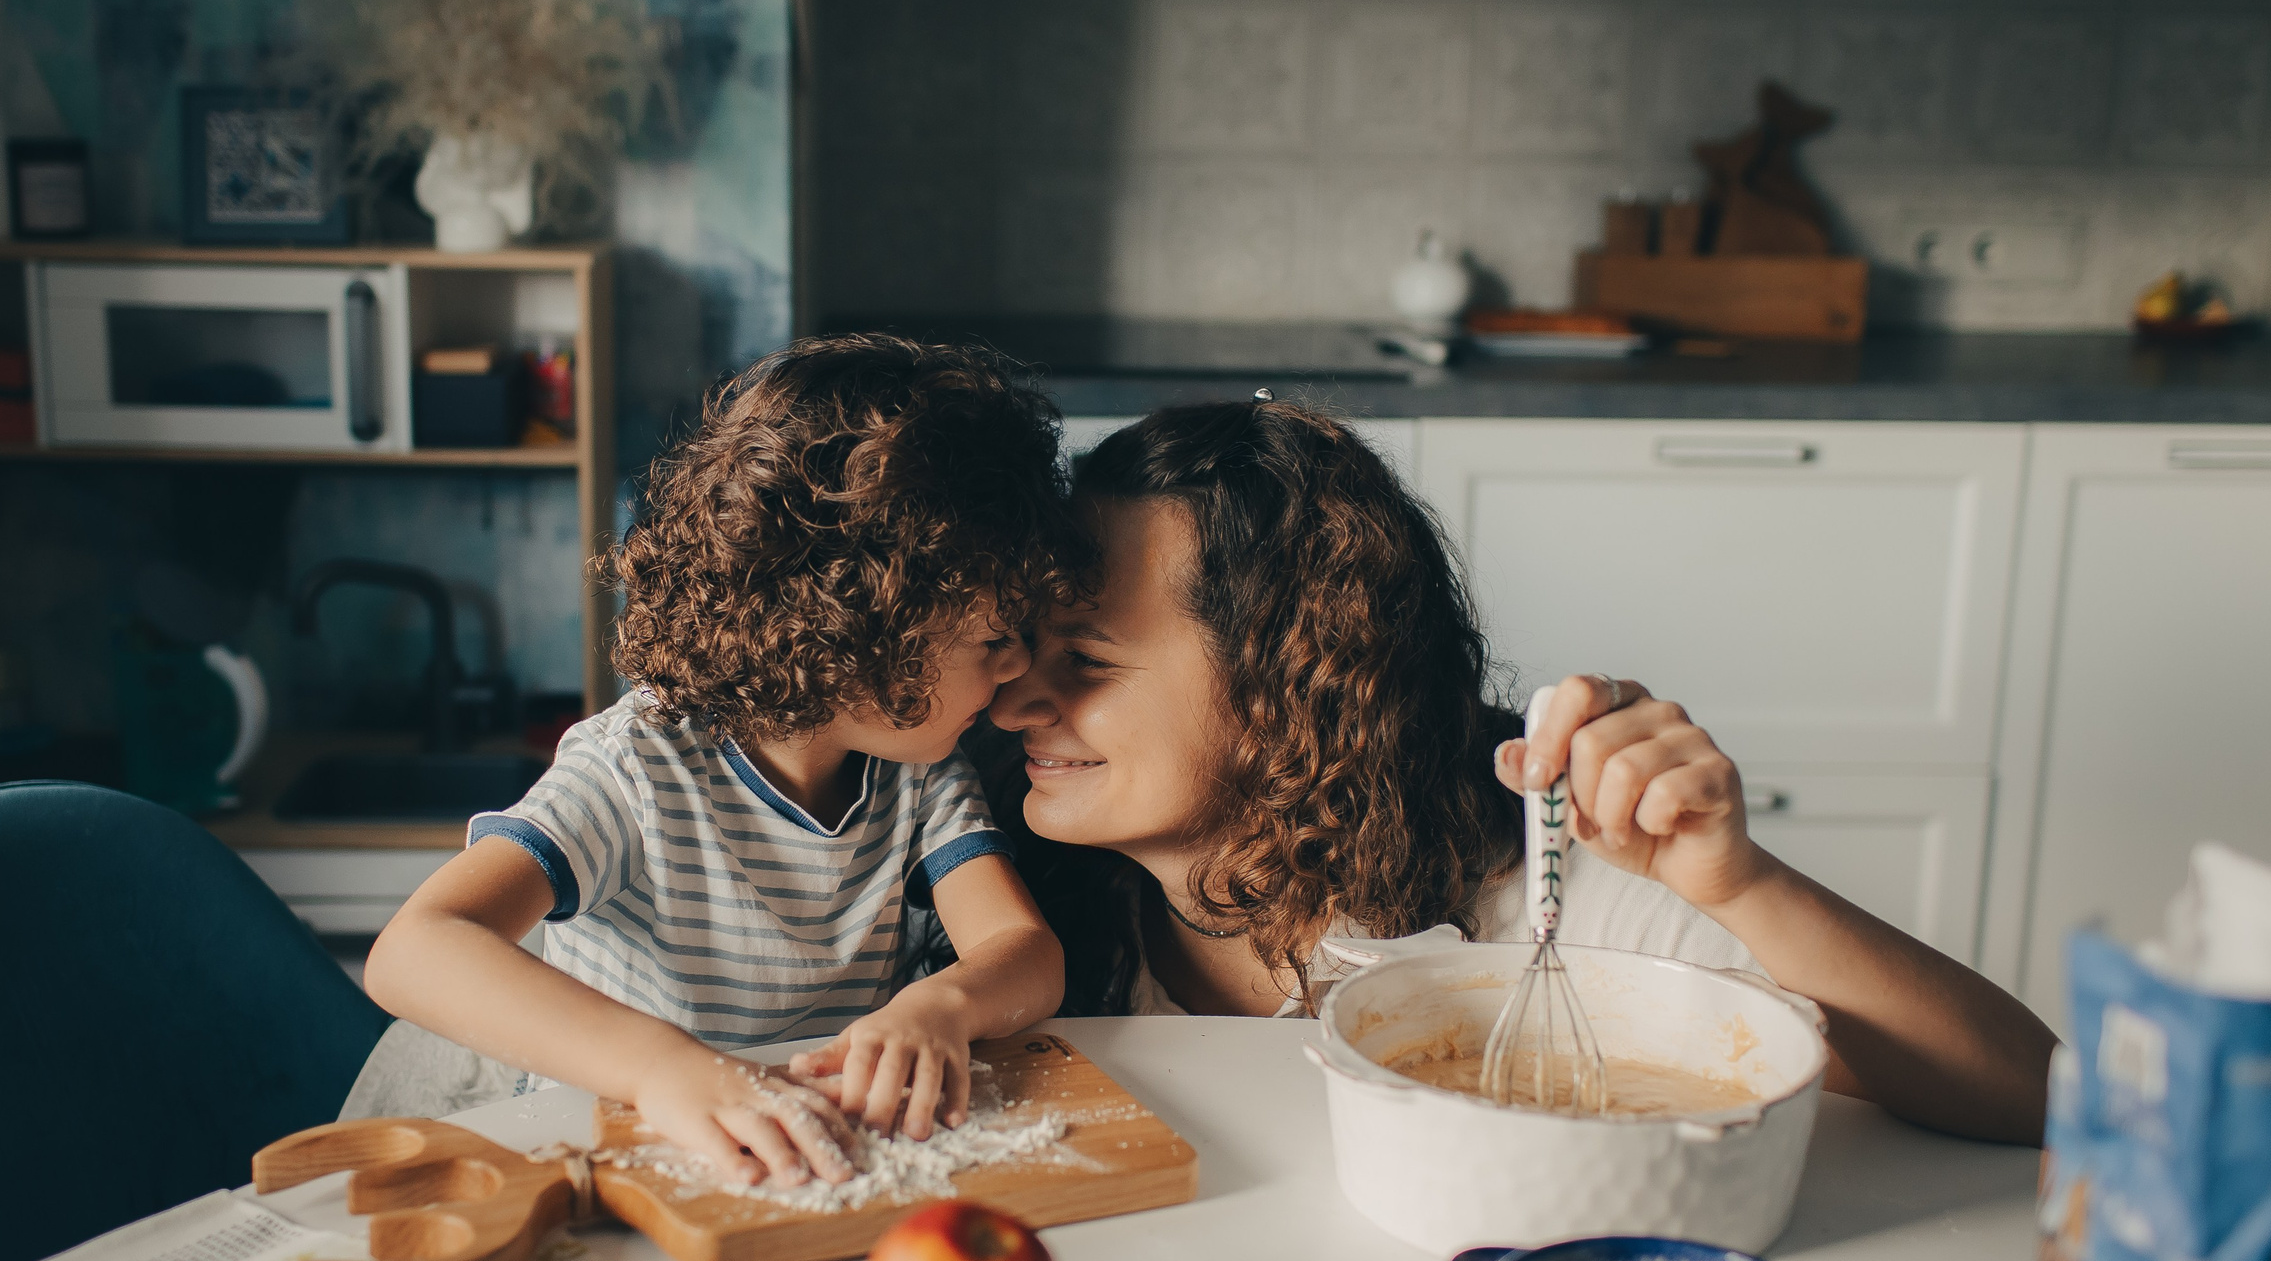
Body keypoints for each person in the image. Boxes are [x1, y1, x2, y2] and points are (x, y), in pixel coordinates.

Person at [982, 398, 2056, 1144]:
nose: (1014, 698)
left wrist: (1738, 885)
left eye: (1084, 659)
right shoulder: (1007, 894)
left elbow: (2031, 1094)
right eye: (1022, 646)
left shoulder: (1547, 881)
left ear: (1287, 687)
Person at [349, 335, 1090, 1186]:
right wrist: (661, 1069)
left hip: (808, 1158)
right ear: (859, 632)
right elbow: (416, 950)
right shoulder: (634, 770)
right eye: (996, 639)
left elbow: (1025, 952)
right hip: (607, 1155)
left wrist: (941, 1007)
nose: (1014, 674)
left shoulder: (921, 774)